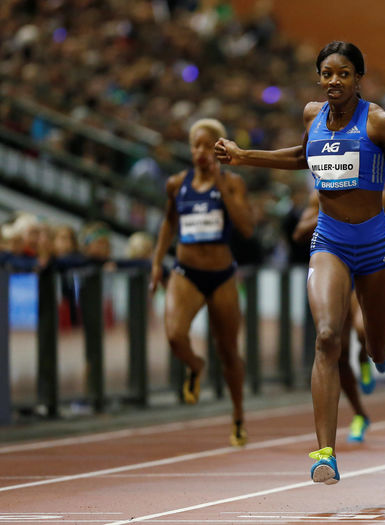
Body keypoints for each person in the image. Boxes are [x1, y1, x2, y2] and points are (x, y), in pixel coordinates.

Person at [215, 40, 385, 484]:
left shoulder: (381, 122)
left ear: (357, 78)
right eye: (327, 73)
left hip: (375, 243)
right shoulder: (312, 116)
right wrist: (244, 155)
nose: (334, 81)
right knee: (327, 336)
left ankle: (381, 353)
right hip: (329, 239)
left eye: (343, 73)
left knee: (376, 346)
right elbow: (300, 155)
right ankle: (324, 454)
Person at [150, 118, 254, 448]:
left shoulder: (233, 182)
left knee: (228, 350)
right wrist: (156, 262)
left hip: (222, 275)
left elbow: (247, 227)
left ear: (219, 148)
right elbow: (169, 222)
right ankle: (195, 365)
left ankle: (238, 415)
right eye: (195, 145)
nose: (200, 152)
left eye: (207, 145)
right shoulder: (176, 183)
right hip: (186, 272)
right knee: (174, 335)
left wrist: (221, 186)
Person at [293, 189, 385, 444]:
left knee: (363, 330)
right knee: (336, 351)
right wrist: (332, 215)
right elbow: (298, 233)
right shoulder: (322, 195)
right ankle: (360, 414)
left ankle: (370, 353)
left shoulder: (384, 198)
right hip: (338, 270)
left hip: (370, 269)